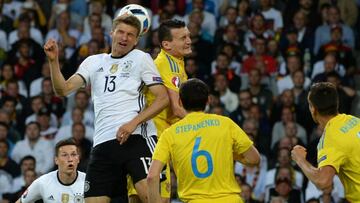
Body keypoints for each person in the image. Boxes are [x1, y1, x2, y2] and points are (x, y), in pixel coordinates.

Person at [43, 15, 169, 203]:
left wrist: (133, 123)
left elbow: (163, 98)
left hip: (136, 139)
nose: (124, 38)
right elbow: (63, 89)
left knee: (149, 198)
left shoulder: (140, 58)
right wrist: (53, 61)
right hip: (102, 143)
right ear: (112, 33)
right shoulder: (93, 62)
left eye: (130, 35)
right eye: (121, 32)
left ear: (136, 40)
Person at [147, 78, 260, 203]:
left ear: (180, 102)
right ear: (208, 100)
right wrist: (228, 153)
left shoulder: (169, 134)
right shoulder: (225, 123)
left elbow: (152, 177)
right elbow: (254, 159)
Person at [132, 19, 191, 202]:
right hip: (153, 135)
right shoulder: (168, 65)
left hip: (151, 134)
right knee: (158, 199)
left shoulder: (175, 62)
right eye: (183, 38)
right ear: (166, 44)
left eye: (188, 36)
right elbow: (177, 108)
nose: (189, 40)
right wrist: (204, 123)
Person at [291, 82, 360, 202]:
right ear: (336, 103)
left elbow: (323, 182)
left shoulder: (329, 139)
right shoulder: (354, 120)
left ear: (313, 109)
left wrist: (300, 160)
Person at [15, 139, 86, 203]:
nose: (70, 159)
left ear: (78, 159)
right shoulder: (42, 182)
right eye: (65, 155)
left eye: (73, 154)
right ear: (56, 160)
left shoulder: (88, 182)